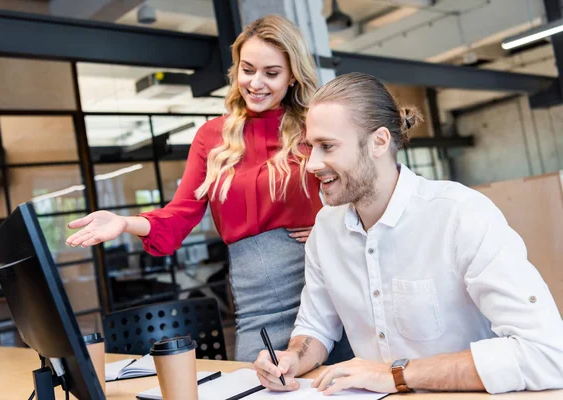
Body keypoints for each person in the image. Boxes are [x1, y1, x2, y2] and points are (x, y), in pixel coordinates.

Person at [253, 72, 563, 394]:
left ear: (379, 142)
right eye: (311, 147)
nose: (312, 164)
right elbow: (316, 327)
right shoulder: (325, 232)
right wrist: (291, 358)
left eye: (327, 146)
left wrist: (395, 375)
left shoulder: (461, 215)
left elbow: (548, 353)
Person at [65, 15, 352, 363]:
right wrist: (125, 222)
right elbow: (180, 214)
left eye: (271, 73)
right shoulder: (212, 137)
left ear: (292, 76)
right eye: (247, 69)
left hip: (328, 298)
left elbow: (359, 187)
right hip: (257, 306)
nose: (256, 83)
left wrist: (331, 222)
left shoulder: (313, 127)